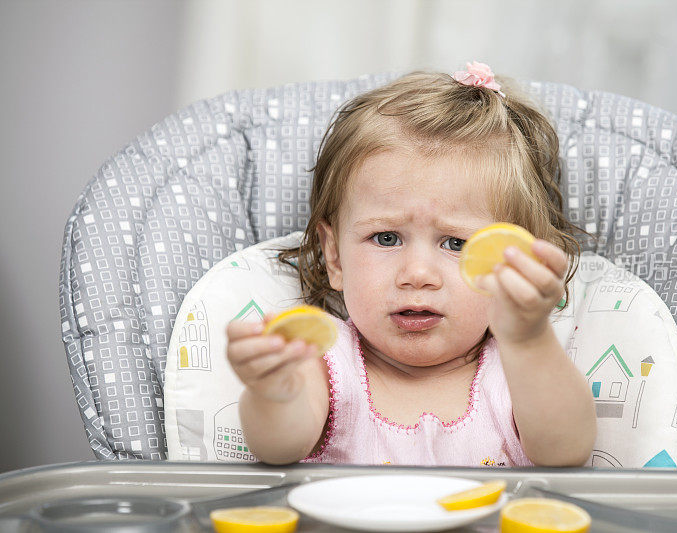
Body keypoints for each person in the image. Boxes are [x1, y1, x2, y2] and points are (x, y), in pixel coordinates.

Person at [226, 62, 597, 467]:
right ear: (334, 256)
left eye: (457, 243)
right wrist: (275, 392)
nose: (418, 274)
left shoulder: (519, 370)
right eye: (386, 238)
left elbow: (567, 454)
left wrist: (528, 339)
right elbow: (279, 446)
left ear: (512, 265)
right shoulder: (326, 360)